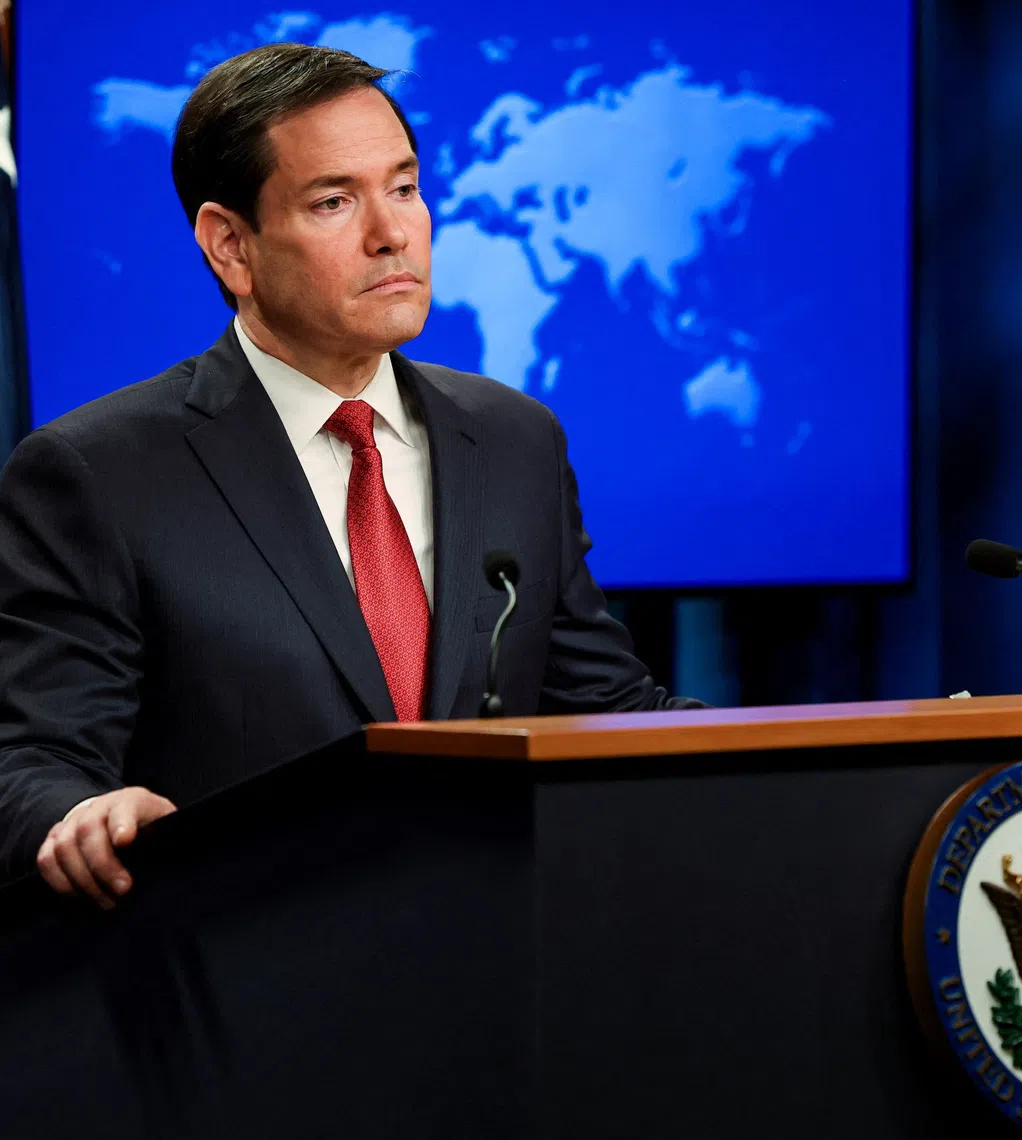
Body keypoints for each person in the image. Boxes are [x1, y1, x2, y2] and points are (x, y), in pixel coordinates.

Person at [0, 43, 701, 904]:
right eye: (335, 201)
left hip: (493, 970)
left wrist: (800, 758)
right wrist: (80, 814)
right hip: (243, 977)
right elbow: (34, 755)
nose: (393, 232)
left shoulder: (514, 440)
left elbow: (603, 707)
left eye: (404, 188)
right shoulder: (97, 474)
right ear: (230, 246)